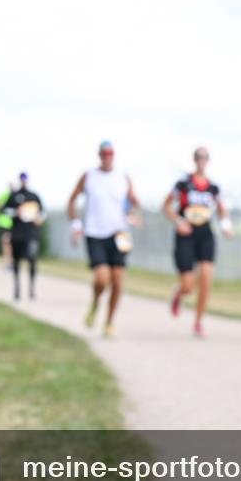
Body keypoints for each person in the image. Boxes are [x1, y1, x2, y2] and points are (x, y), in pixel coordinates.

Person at [67, 140, 141, 338]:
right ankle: (95, 303)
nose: (108, 157)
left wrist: (132, 212)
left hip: (119, 234)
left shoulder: (123, 177)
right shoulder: (89, 176)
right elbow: (71, 200)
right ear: (99, 155)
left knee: (117, 281)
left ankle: (109, 322)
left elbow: (133, 201)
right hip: (95, 233)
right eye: (104, 153)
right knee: (102, 278)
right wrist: (75, 225)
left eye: (111, 153)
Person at [163, 146, 233, 337]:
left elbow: (221, 209)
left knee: (207, 276)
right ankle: (179, 293)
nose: (201, 160)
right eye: (199, 157)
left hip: (205, 233)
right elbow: (166, 206)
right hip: (186, 233)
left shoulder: (213, 187)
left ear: (208, 160)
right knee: (188, 285)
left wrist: (226, 225)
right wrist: (178, 221)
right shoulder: (183, 184)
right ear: (194, 159)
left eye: (205, 157)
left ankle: (199, 322)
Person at [1, 172, 44, 300]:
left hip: (31, 233)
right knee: (16, 262)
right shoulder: (14, 196)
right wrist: (16, 212)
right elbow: (4, 210)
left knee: (32, 259)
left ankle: (31, 289)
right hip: (17, 233)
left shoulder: (34, 196)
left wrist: (39, 218)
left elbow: (42, 212)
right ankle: (17, 289)